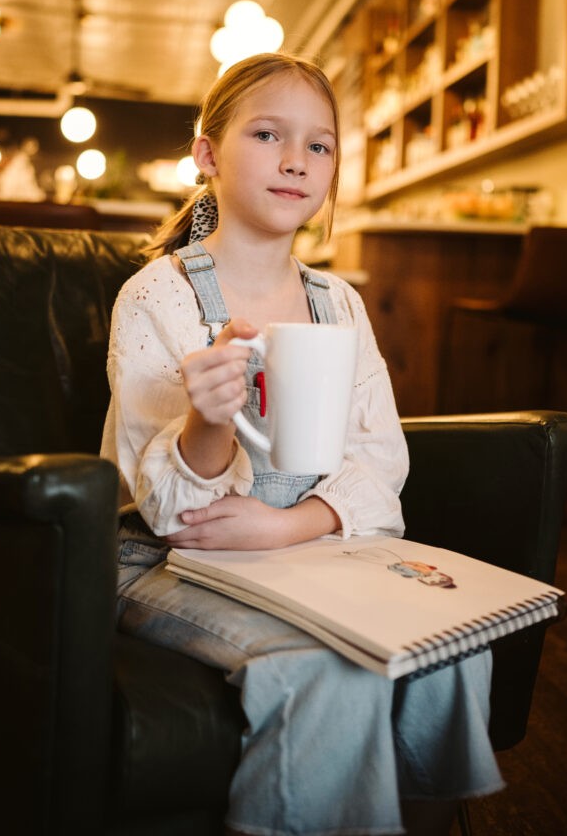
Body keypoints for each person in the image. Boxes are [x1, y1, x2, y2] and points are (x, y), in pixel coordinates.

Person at [102, 52, 504, 835]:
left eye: (318, 145)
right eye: (267, 134)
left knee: (449, 644)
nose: (296, 160)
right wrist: (207, 420)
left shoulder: (339, 302)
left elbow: (379, 455)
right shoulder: (157, 294)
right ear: (207, 155)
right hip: (170, 556)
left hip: (302, 547)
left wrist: (292, 524)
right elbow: (164, 510)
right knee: (326, 669)